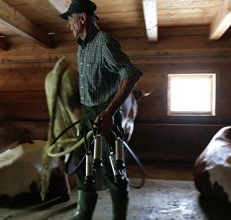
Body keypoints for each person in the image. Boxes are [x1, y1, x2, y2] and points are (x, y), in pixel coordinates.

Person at [59, 0, 143, 219]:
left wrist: (109, 112)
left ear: (83, 18)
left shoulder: (104, 41)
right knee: (82, 162)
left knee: (114, 169)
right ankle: (83, 212)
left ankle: (118, 217)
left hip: (106, 114)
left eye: (70, 19)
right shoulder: (81, 45)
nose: (69, 25)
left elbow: (131, 73)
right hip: (88, 113)